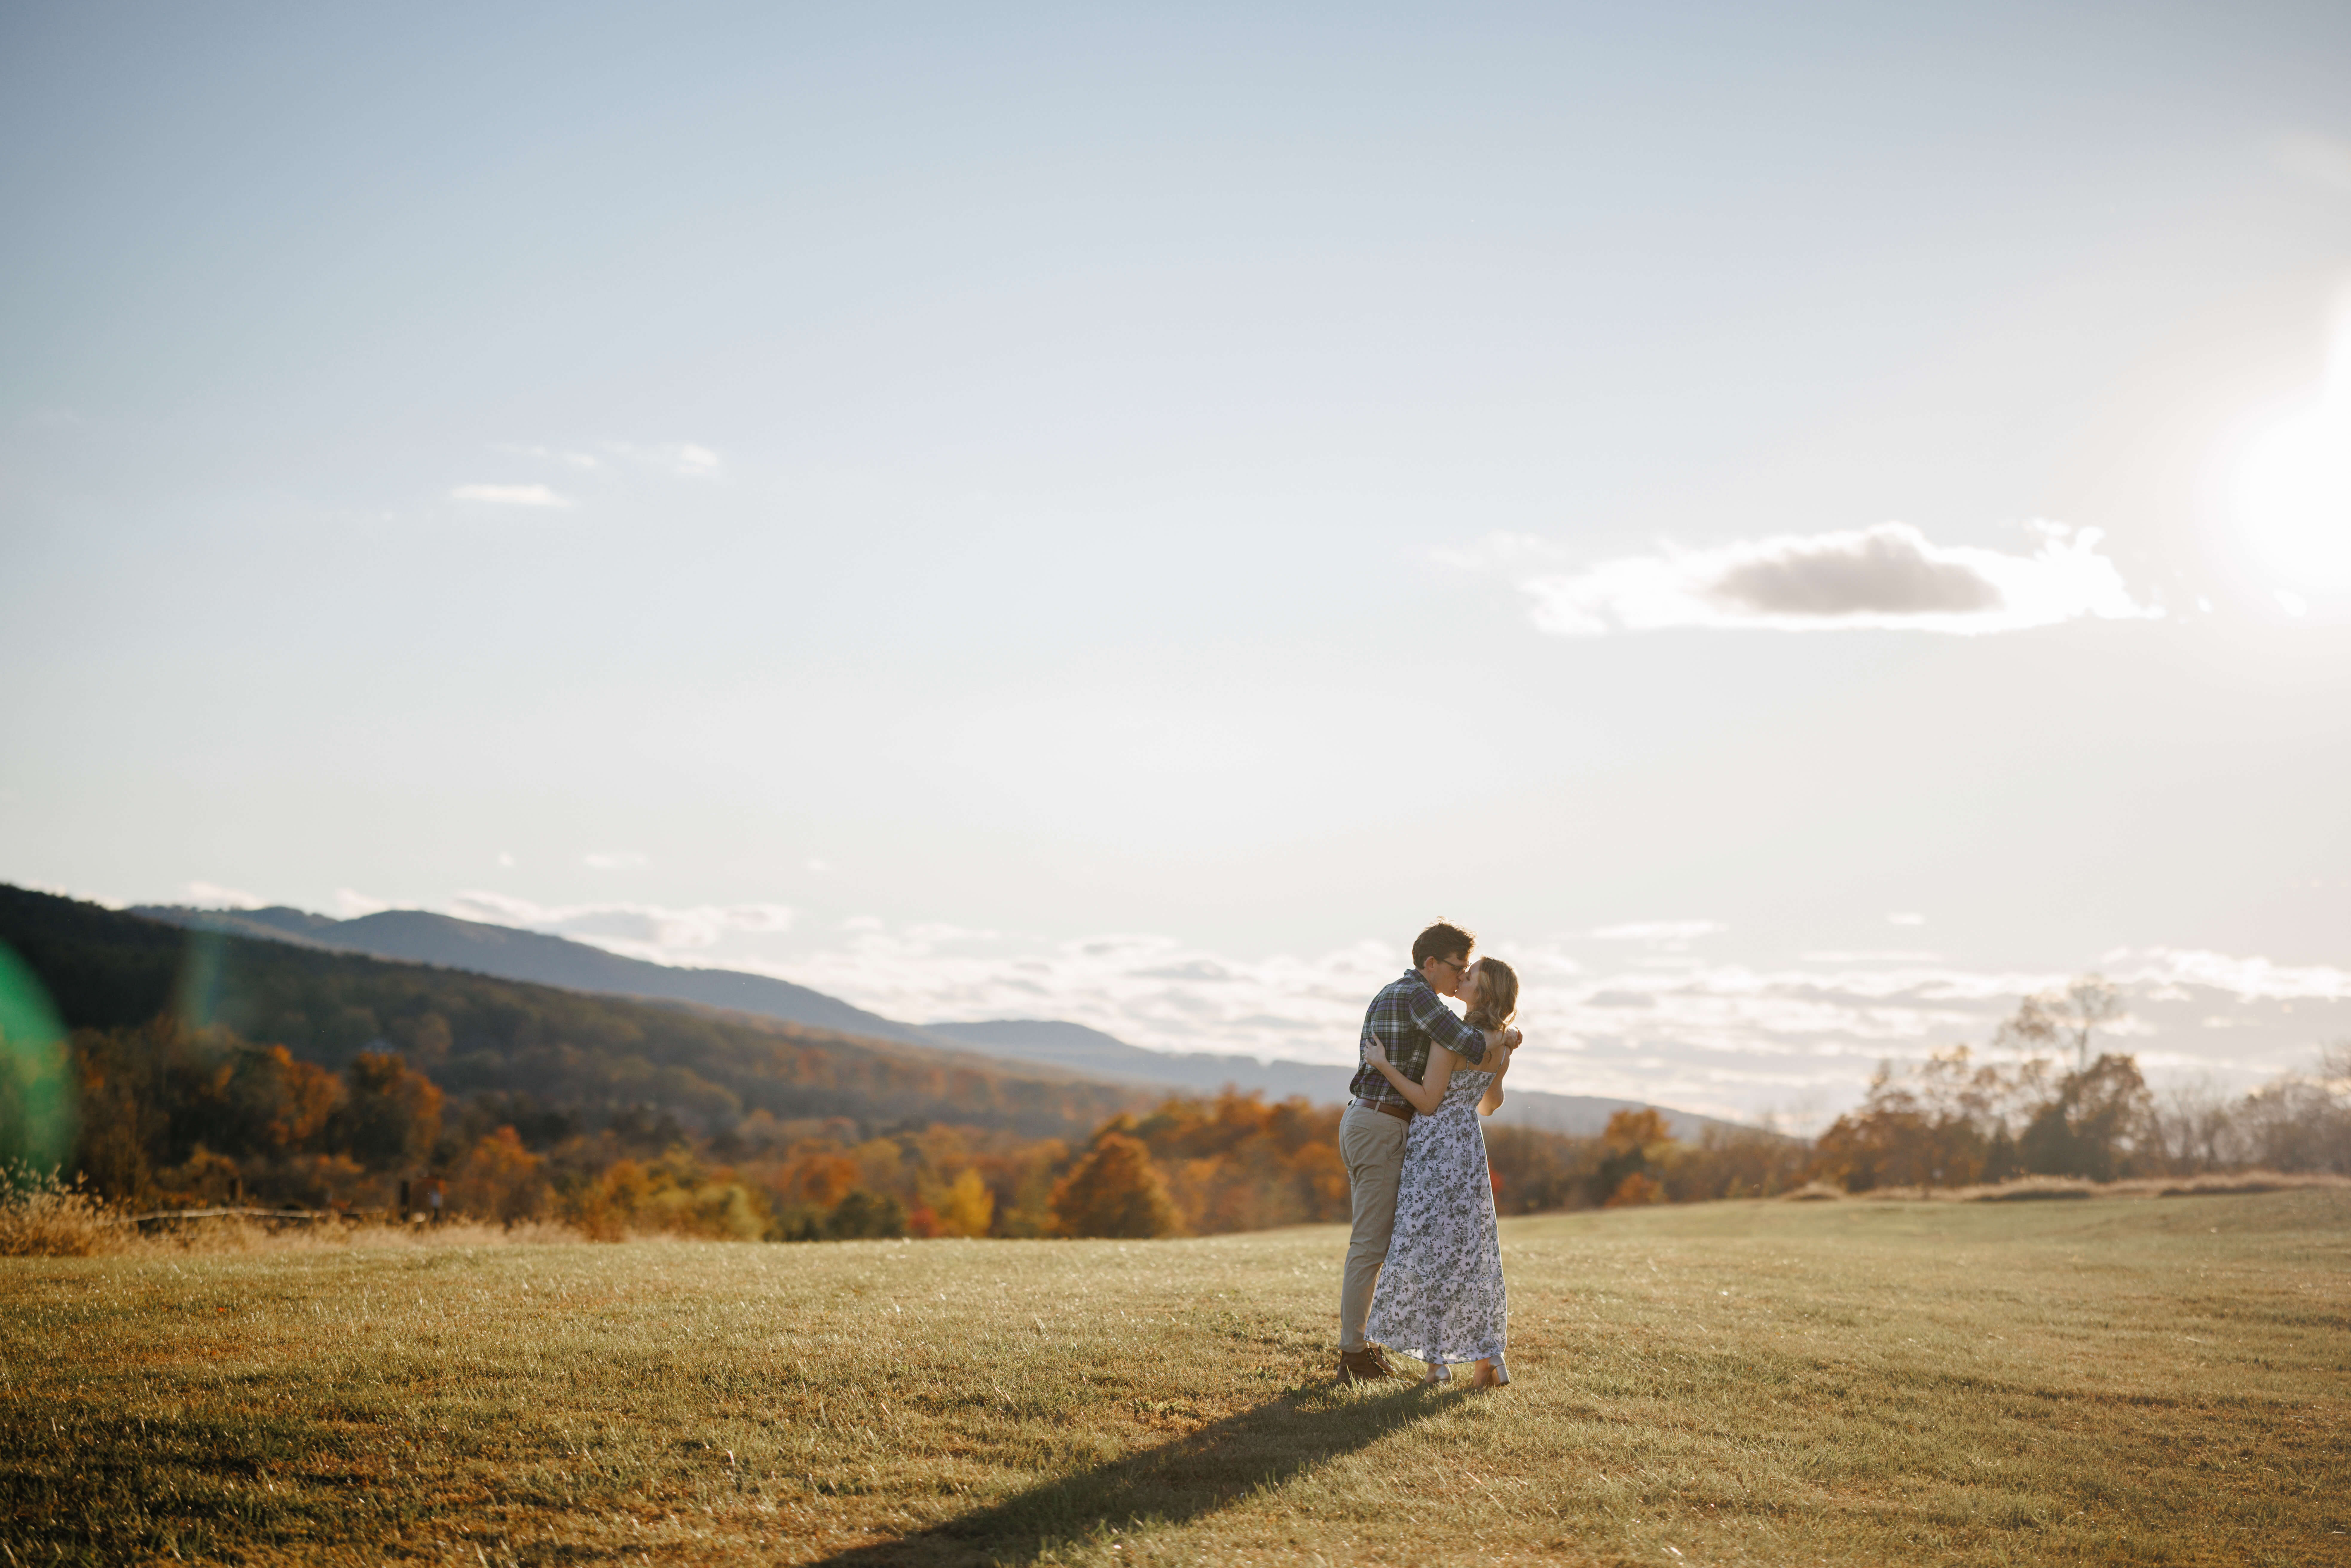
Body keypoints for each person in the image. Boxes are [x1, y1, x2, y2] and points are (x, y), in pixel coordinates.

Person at [1336, 922, 1520, 1385]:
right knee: (1424, 1248)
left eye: (1468, 973)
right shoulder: (1420, 999)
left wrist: (1498, 1040)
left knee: (1422, 1250)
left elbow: (1433, 1095)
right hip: (1396, 1128)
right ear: (1431, 964)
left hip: (1416, 1134)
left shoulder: (1419, 1003)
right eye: (1458, 968)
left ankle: (1419, 1359)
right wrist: (1506, 1040)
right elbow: (1484, 1084)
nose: (1460, 979)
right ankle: (1357, 1353)